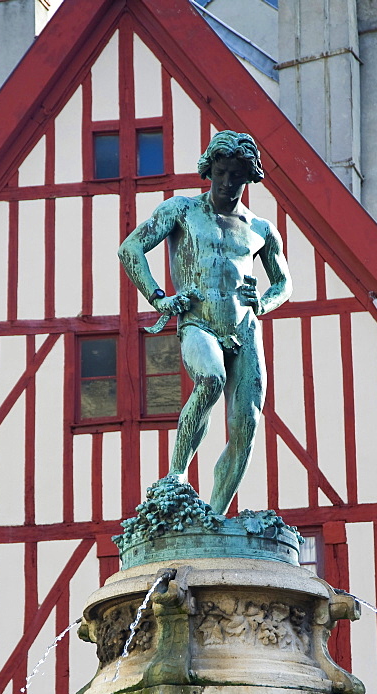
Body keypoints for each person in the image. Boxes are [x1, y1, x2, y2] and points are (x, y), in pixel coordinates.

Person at [118, 130, 292, 515]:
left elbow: (284, 282)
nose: (228, 183)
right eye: (222, 172)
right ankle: (177, 474)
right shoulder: (181, 210)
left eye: (237, 176)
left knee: (246, 425)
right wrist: (158, 296)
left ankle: (216, 515)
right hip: (198, 321)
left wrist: (262, 303)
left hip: (244, 329)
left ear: (249, 178)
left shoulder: (261, 229)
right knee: (211, 379)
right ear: (209, 170)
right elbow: (130, 248)